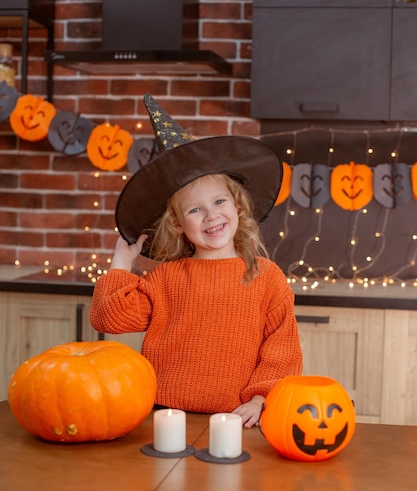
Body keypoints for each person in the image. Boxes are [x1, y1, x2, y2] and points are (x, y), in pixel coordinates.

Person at [89, 94, 302, 428]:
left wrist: (262, 398)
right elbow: (108, 319)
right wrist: (121, 263)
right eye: (195, 209)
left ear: (238, 208)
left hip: (236, 419)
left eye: (219, 201)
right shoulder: (166, 277)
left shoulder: (266, 277)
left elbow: (282, 348)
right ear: (178, 225)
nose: (211, 216)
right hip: (163, 414)